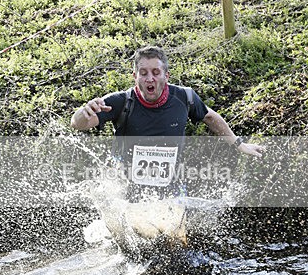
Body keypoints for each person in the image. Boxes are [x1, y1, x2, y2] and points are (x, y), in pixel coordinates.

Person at [71, 45, 262, 196]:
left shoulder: (184, 97)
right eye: (143, 73)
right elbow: (78, 124)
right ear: (135, 77)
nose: (149, 79)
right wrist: (83, 112)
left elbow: (210, 117)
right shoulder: (121, 101)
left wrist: (239, 144)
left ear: (166, 75)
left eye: (156, 72)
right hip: (126, 189)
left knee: (174, 243)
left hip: (170, 187)